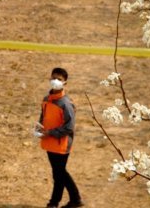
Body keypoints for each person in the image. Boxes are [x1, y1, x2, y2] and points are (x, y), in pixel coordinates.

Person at [38, 67, 83, 208]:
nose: (55, 81)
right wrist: (39, 127)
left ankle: (54, 203)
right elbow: (43, 116)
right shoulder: (46, 99)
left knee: (59, 174)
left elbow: (69, 127)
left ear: (65, 83)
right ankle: (75, 200)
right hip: (50, 142)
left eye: (60, 79)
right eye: (53, 78)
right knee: (59, 173)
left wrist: (50, 133)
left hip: (61, 143)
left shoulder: (66, 104)